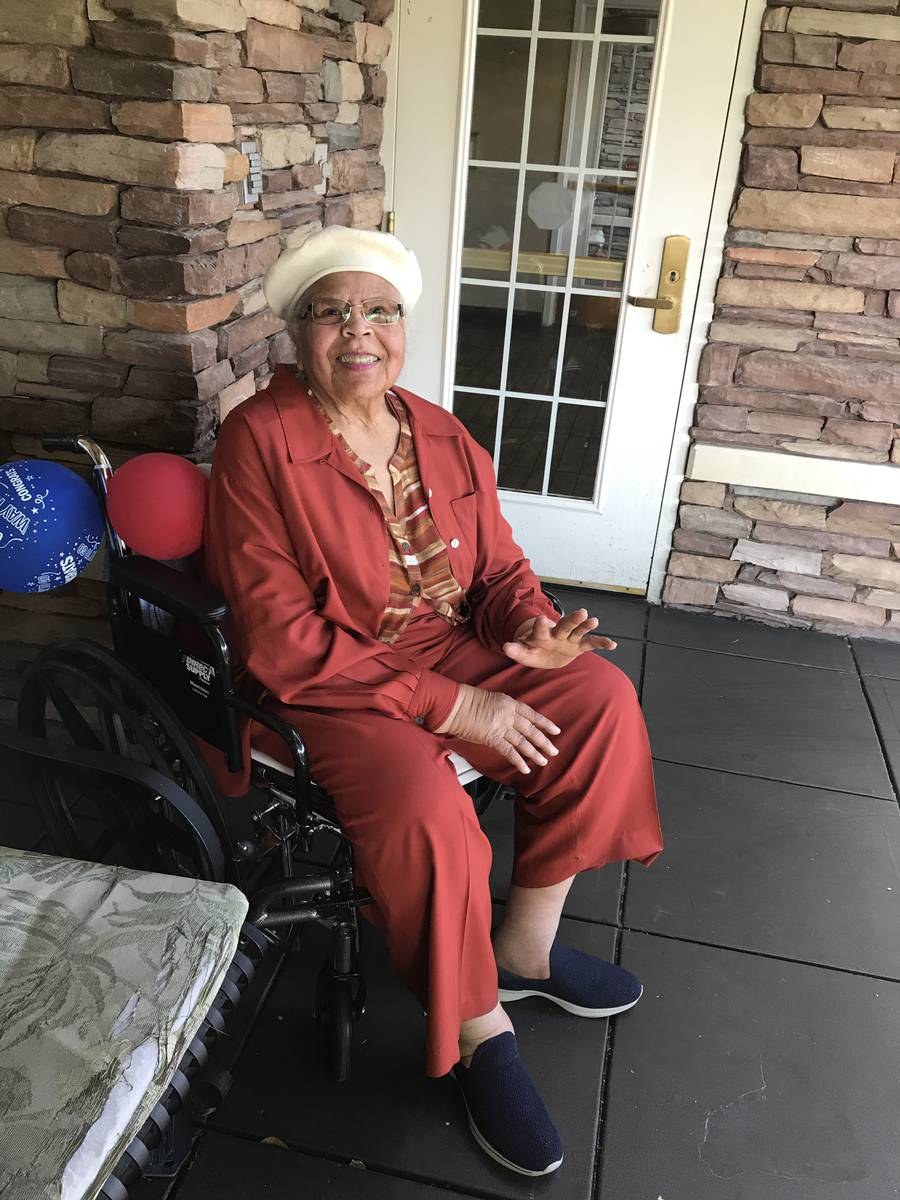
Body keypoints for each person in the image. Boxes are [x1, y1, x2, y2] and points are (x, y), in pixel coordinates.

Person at [204, 225, 663, 1177]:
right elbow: (282, 638)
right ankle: (478, 1024)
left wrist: (528, 626)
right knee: (425, 810)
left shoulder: (438, 428)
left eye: (379, 311)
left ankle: (527, 949)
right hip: (333, 678)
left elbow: (495, 566)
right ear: (299, 331)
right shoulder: (260, 440)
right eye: (333, 312)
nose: (358, 331)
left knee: (601, 700)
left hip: (450, 645)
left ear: (402, 327)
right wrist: (454, 707)